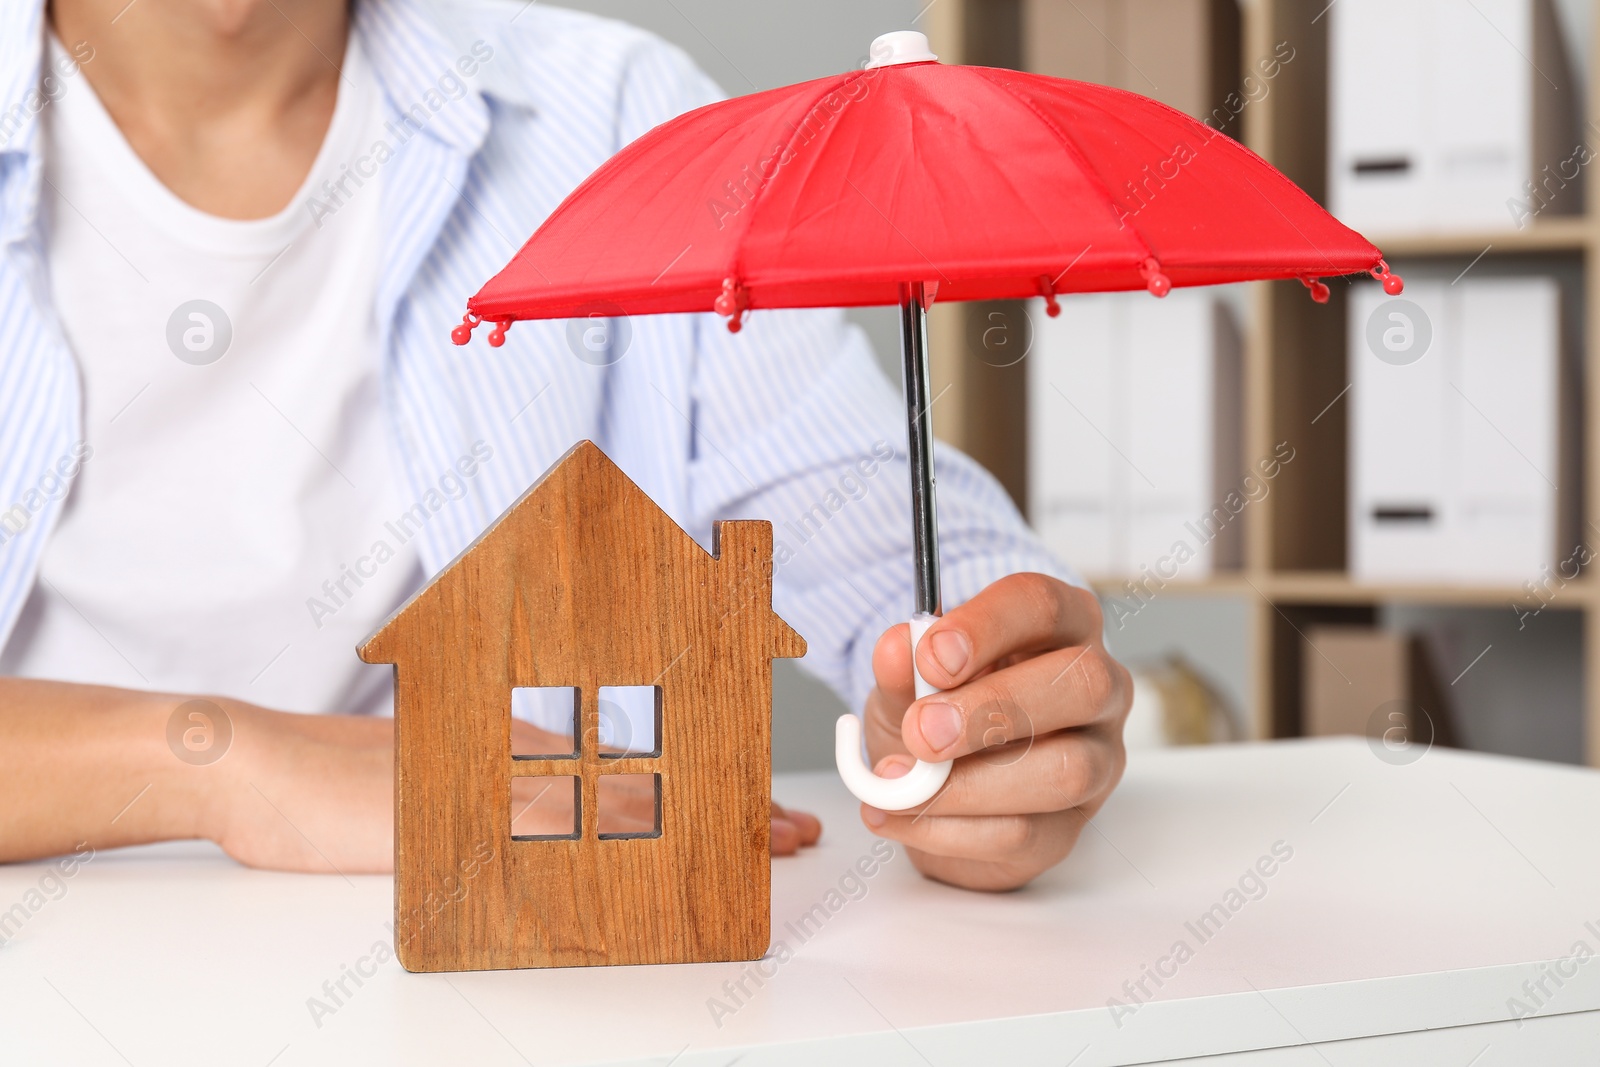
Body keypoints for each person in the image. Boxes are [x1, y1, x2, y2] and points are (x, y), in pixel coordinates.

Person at [0, 0, 1130, 892]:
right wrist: (223, 763)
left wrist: (980, 685)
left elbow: (848, 492)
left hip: (552, 958)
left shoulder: (617, 113)